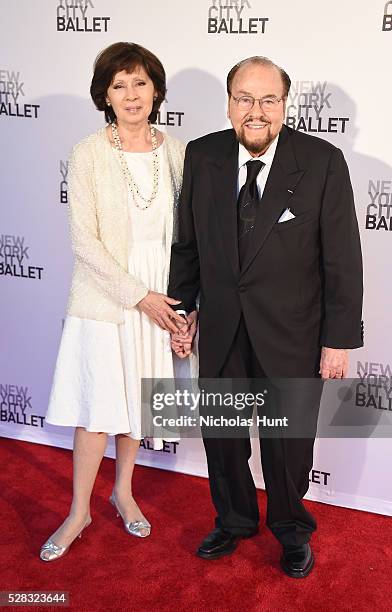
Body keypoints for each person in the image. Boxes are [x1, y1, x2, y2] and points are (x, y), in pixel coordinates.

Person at [168, 56, 363, 578]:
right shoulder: (203, 154)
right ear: (229, 102)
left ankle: (292, 531)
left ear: (285, 103)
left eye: (268, 99)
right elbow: (187, 243)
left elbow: (342, 257)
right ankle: (233, 520)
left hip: (295, 332)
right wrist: (181, 309)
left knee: (288, 445)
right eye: (244, 99)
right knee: (224, 438)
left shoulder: (321, 160)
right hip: (224, 326)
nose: (256, 111)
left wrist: (338, 340)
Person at [40, 42, 187, 561]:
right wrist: (138, 296)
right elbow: (84, 241)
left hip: (159, 292)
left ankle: (123, 491)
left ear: (156, 91)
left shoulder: (177, 151)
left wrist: (179, 308)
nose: (131, 94)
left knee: (137, 406)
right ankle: (78, 509)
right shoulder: (88, 152)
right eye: (119, 84)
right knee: (98, 409)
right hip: (108, 296)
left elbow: (188, 237)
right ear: (105, 94)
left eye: (140, 83)